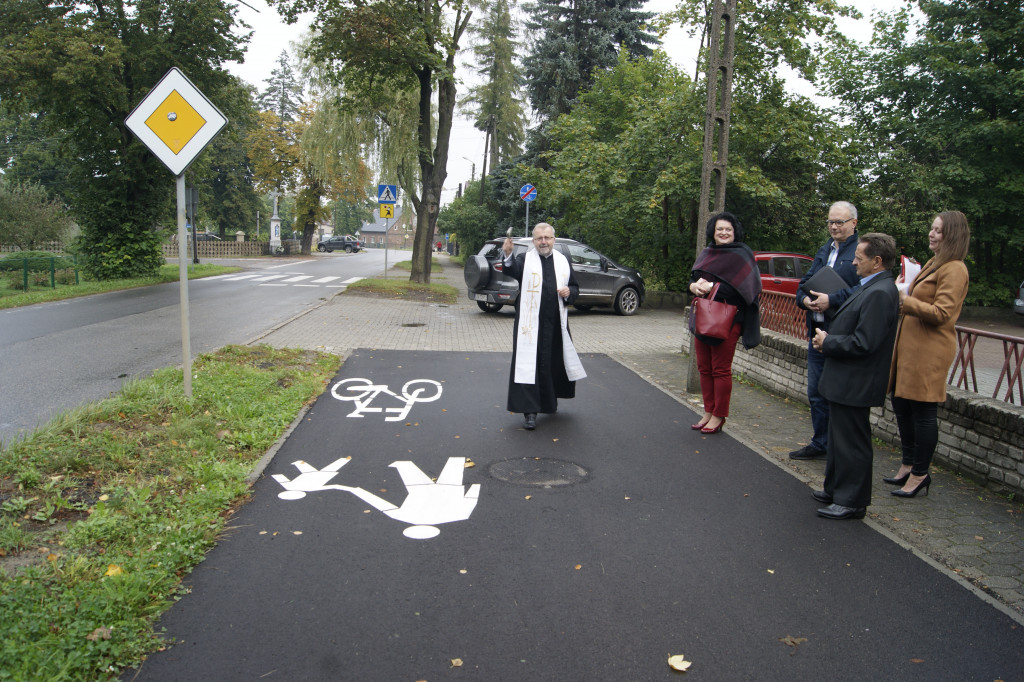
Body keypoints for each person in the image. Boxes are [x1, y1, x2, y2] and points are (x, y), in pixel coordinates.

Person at [811, 233, 900, 520]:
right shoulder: (870, 286)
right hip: (845, 379)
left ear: (877, 261)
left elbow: (865, 342)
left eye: (859, 259)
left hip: (857, 380)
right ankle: (836, 488)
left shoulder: (880, 292)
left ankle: (852, 500)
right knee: (839, 439)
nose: (853, 263)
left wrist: (828, 342)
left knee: (852, 442)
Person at [885, 211, 971, 498]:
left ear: (953, 235)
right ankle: (908, 464)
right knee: (901, 405)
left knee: (922, 413)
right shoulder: (936, 262)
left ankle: (920, 473)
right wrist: (905, 288)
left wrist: (906, 299)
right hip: (910, 347)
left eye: (938, 230)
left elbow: (943, 313)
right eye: (932, 229)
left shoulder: (955, 268)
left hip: (929, 350)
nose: (932, 234)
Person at [789, 201, 862, 460]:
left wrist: (833, 299)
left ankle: (838, 447)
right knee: (816, 393)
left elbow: (866, 289)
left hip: (840, 332)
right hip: (817, 329)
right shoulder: (825, 250)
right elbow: (805, 283)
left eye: (839, 222)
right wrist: (805, 301)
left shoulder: (861, 252)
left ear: (853, 223)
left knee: (837, 394)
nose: (833, 227)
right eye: (830, 222)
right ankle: (821, 443)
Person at [501, 222, 586, 430]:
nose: (543, 242)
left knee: (551, 364)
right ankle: (530, 412)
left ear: (554, 240)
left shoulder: (562, 261)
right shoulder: (525, 259)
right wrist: (508, 255)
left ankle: (549, 403)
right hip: (530, 326)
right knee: (530, 366)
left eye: (547, 238)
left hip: (556, 324)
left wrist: (569, 293)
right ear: (533, 241)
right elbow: (512, 269)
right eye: (539, 238)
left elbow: (575, 288)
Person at [688, 212, 762, 434]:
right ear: (713, 231)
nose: (723, 233)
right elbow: (695, 278)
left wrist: (711, 288)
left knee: (720, 370)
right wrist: (693, 287)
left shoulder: (742, 254)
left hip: (729, 320)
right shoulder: (708, 252)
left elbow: (745, 291)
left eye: (728, 229)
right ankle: (708, 411)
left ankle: (719, 415)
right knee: (704, 368)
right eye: (720, 229)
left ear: (734, 231)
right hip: (704, 318)